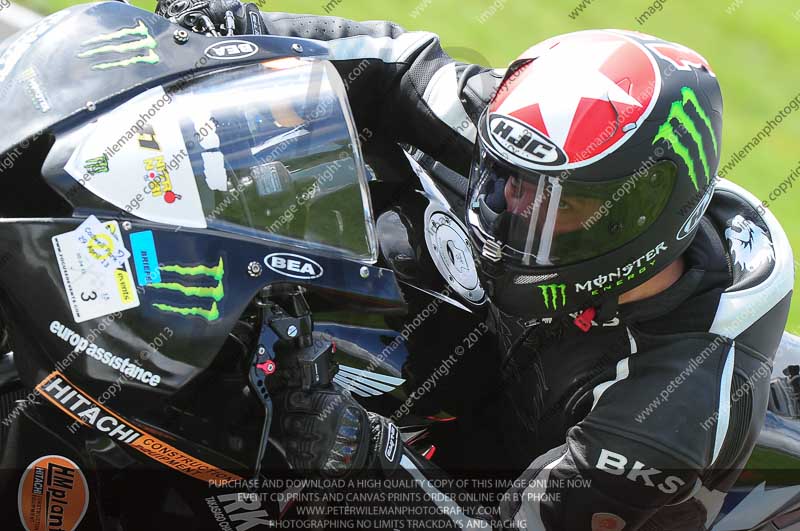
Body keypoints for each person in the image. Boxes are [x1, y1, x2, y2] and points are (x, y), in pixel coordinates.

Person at [156, 3, 794, 529]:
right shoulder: (546, 143)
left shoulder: (664, 415)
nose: (515, 209)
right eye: (509, 180)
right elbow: (399, 69)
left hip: (501, 483)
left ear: (644, 212)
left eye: (558, 207)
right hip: (477, 379)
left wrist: (367, 459)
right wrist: (243, 32)